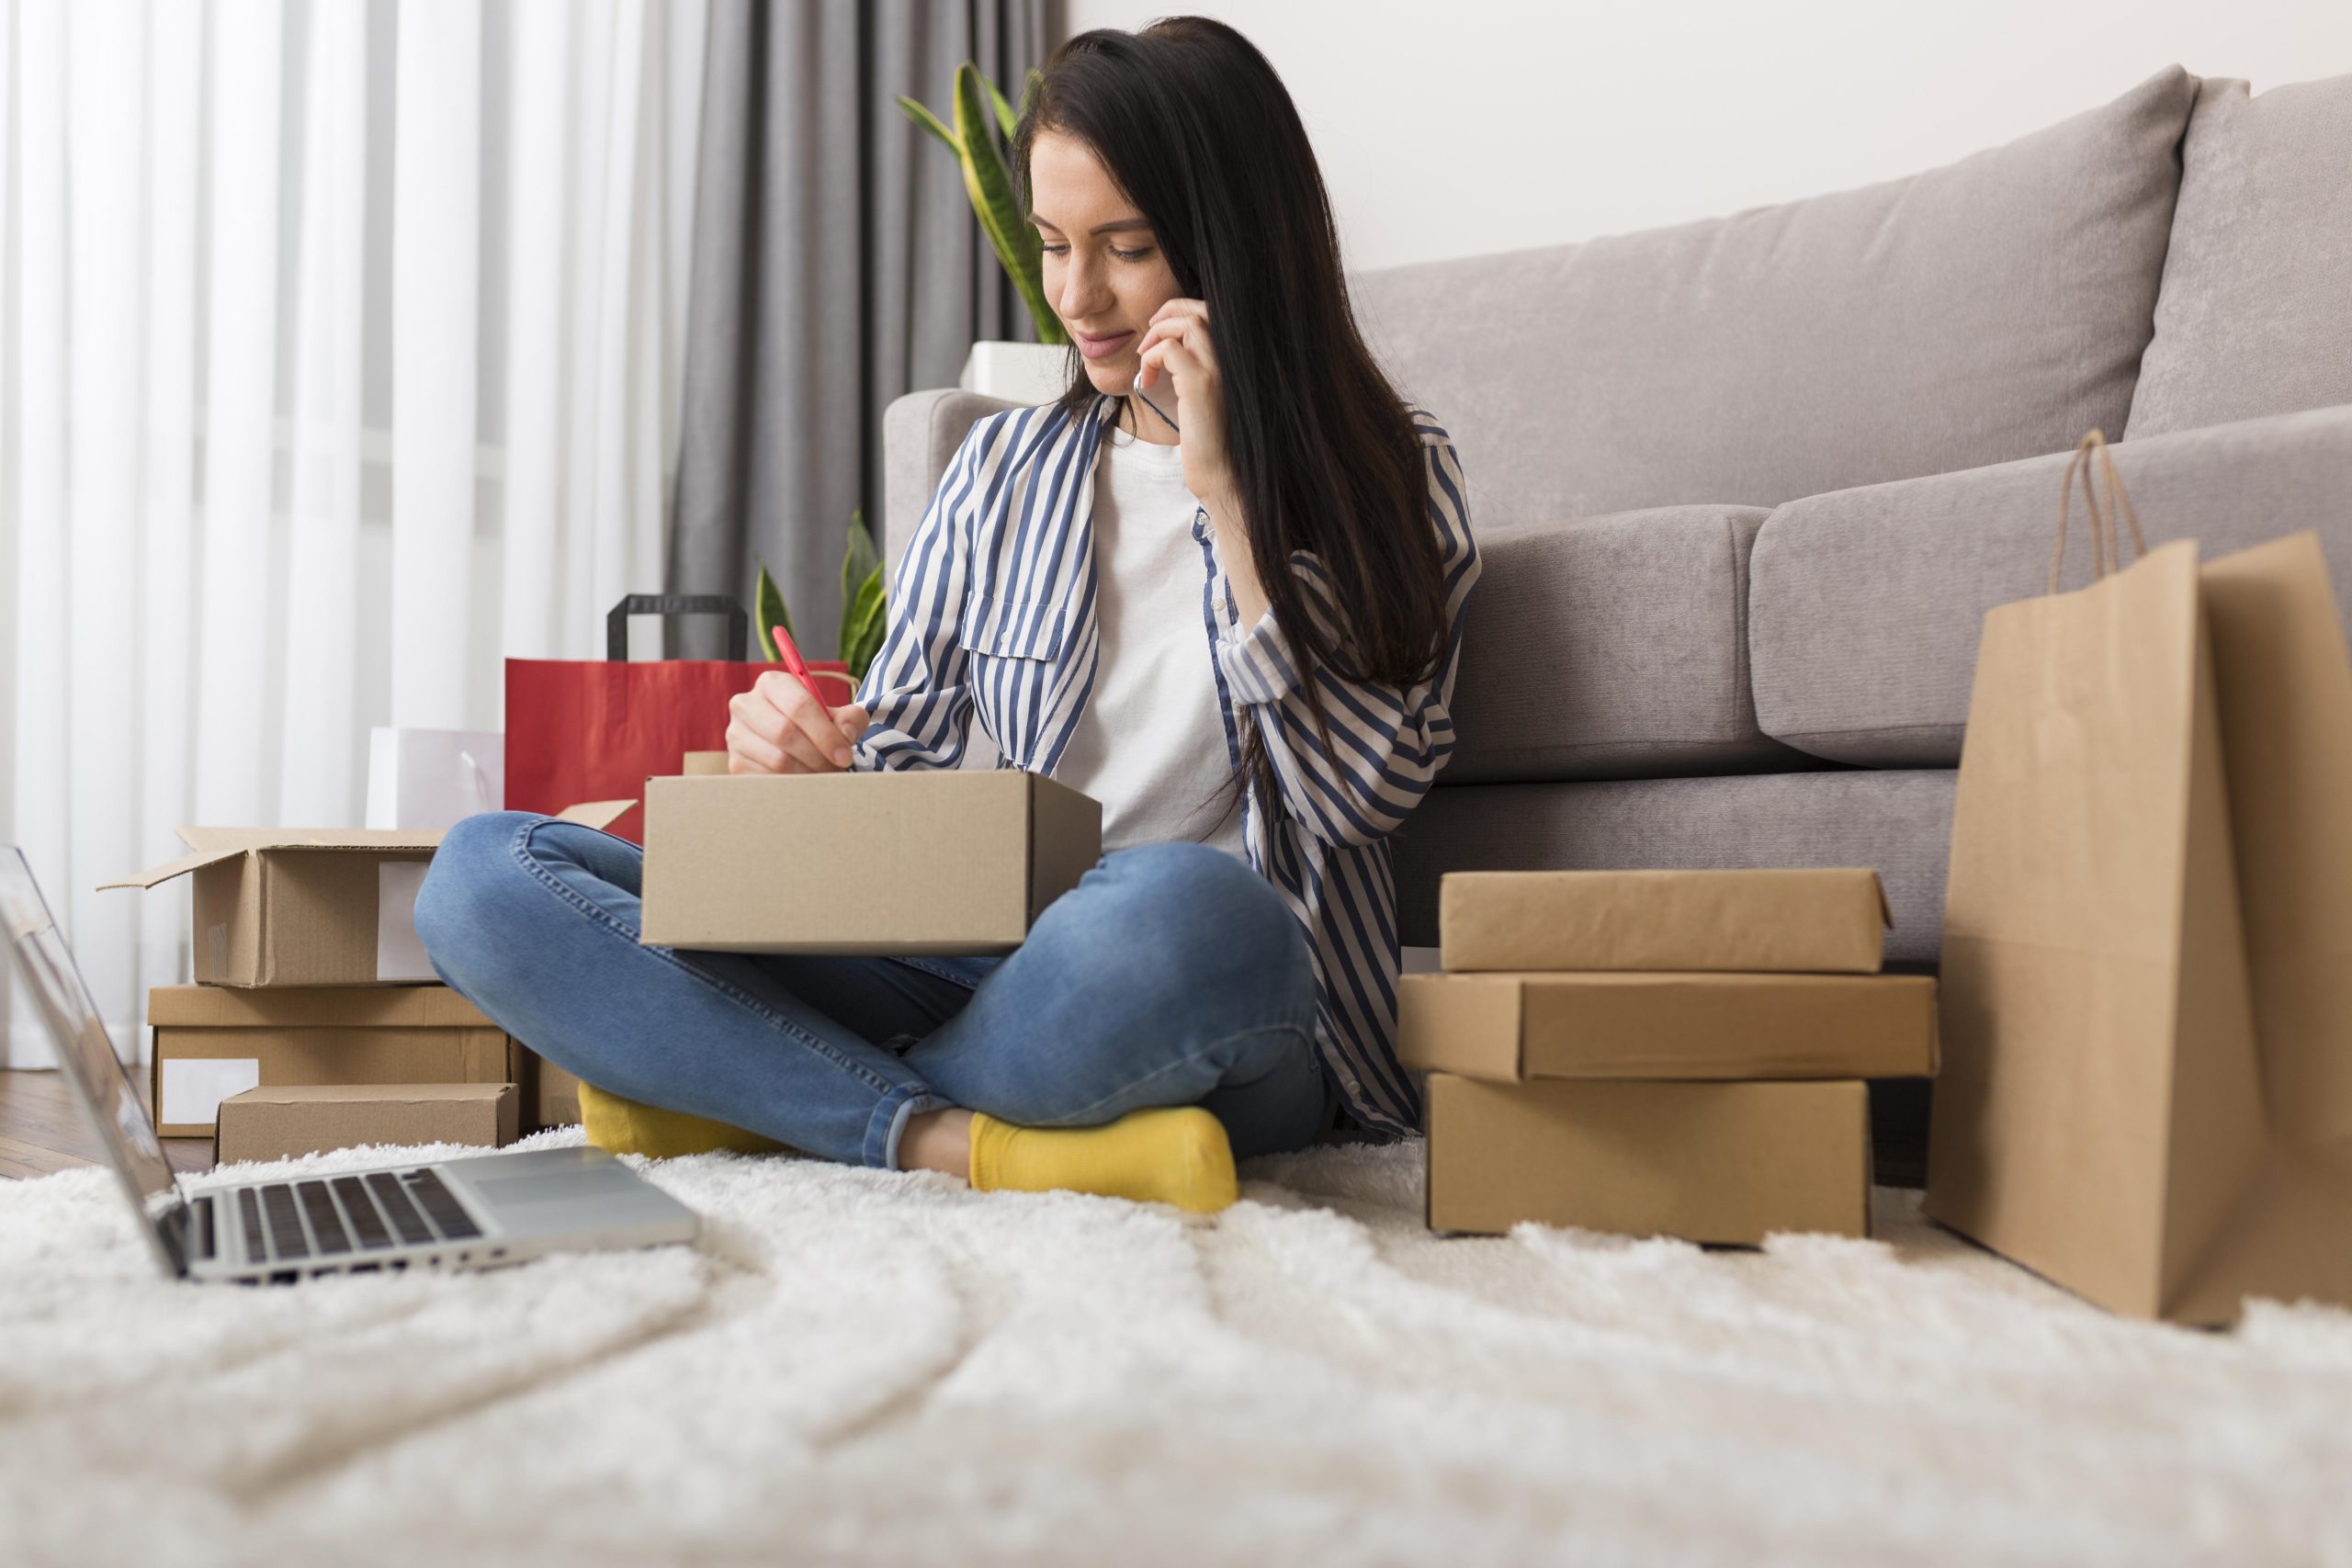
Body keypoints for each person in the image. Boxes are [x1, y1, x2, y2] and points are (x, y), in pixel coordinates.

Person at [413, 16, 1480, 1214]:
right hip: (979, 958)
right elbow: (900, 769)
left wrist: (1228, 505)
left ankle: (755, 1095)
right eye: (1053, 244)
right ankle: (953, 1140)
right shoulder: (999, 470)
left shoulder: (1391, 471)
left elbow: (1359, 800)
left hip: (1207, 985)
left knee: (1190, 906)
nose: (1076, 296)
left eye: (1124, 249)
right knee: (480, 874)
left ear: (1236, 245)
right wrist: (802, 757)